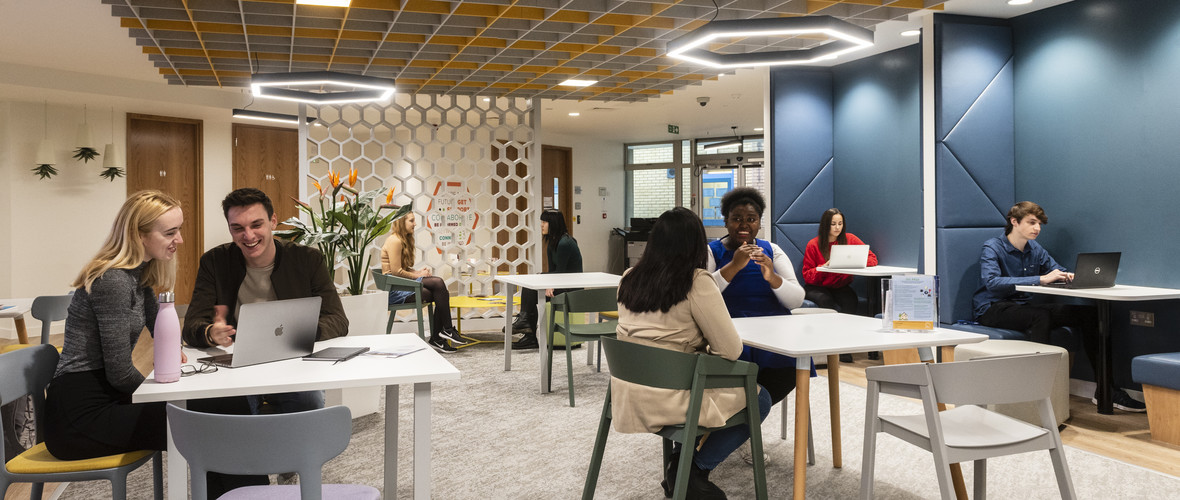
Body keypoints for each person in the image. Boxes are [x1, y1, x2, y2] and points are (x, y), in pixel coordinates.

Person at [181, 188, 349, 495]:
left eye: (256, 225)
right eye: (238, 228)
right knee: (228, 413)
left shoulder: (307, 259)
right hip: (237, 366)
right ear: (230, 228)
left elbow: (338, 320)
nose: (248, 236)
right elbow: (192, 324)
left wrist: (296, 333)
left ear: (272, 221)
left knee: (309, 401)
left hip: (293, 363)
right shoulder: (215, 262)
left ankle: (292, 461)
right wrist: (209, 332)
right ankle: (249, 478)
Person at [614, 207, 772, 499]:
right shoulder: (696, 281)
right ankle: (692, 470)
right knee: (759, 398)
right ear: (696, 244)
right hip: (674, 397)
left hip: (629, 393)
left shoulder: (628, 277)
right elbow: (731, 350)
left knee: (694, 376)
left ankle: (681, 464)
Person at [44, 190, 185, 460]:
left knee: (200, 411)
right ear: (139, 235)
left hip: (104, 397)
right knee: (194, 422)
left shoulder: (137, 276)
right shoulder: (114, 280)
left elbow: (161, 331)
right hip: (79, 416)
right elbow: (120, 374)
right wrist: (162, 392)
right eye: (170, 232)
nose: (179, 239)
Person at [972, 201, 1145, 412]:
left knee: (1091, 314)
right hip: (992, 309)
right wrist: (1041, 279)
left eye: (1040, 224)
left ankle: (1106, 390)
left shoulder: (1035, 248)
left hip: (1024, 308)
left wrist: (1070, 276)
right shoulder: (993, 247)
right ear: (1014, 222)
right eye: (1032, 222)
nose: (1037, 228)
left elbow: (1055, 269)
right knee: (1040, 316)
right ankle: (1037, 391)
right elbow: (992, 283)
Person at [705, 187, 805, 409]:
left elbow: (796, 299)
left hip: (773, 334)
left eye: (751, 219)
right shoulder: (712, 251)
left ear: (759, 223)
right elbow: (702, 296)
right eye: (736, 219)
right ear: (726, 222)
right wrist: (734, 266)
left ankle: (745, 416)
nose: (744, 225)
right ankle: (741, 417)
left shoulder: (772, 250)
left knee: (789, 370)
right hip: (732, 333)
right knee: (732, 380)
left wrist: (773, 278)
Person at [380, 211, 469, 353]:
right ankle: (444, 332)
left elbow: (403, 268)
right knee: (438, 284)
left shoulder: (402, 239)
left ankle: (439, 336)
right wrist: (418, 276)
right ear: (401, 222)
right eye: (411, 220)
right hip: (395, 291)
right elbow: (396, 272)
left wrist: (417, 272)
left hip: (402, 286)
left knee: (438, 292)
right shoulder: (395, 241)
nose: (415, 224)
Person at [509, 209, 583, 350]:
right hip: (561, 282)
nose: (541, 225)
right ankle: (527, 327)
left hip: (572, 287)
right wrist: (547, 281)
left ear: (553, 223)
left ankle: (526, 327)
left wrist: (550, 285)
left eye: (544, 222)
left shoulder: (565, 243)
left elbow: (561, 272)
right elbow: (552, 272)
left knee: (533, 291)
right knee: (531, 285)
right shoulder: (552, 243)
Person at [801, 208, 878, 313]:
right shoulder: (813, 244)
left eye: (840, 224)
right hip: (816, 287)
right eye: (833, 224)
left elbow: (872, 259)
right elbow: (807, 275)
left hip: (840, 286)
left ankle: (847, 328)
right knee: (825, 300)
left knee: (851, 300)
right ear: (825, 225)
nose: (837, 227)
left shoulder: (850, 239)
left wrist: (851, 261)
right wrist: (823, 267)